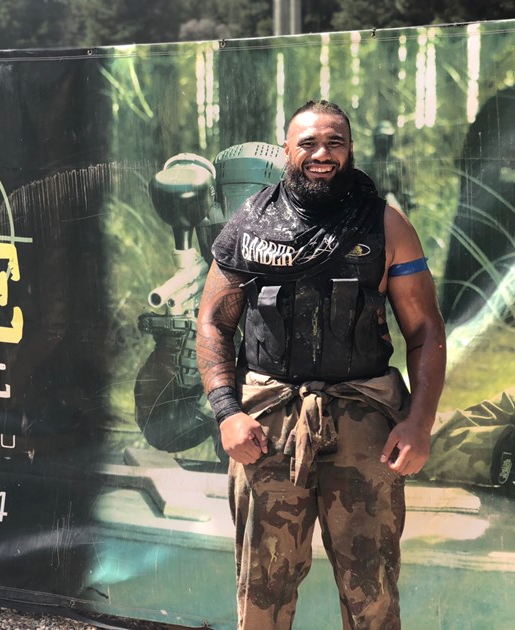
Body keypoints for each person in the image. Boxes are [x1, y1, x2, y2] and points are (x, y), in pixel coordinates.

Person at [196, 100, 446, 629]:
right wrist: (227, 413)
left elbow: (425, 331)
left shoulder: (385, 226)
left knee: (371, 591)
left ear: (350, 150)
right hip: (269, 423)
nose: (322, 154)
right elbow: (214, 323)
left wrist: (419, 424)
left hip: (363, 423)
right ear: (286, 149)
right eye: (308, 143)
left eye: (335, 142)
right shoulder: (250, 225)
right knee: (263, 588)